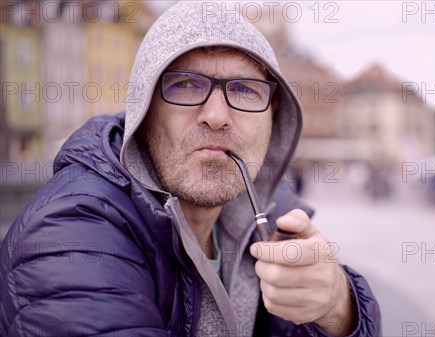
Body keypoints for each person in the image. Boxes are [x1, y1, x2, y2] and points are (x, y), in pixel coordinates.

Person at [0, 2, 381, 337]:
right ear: (144, 113)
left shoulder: (275, 215)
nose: (216, 117)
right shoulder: (71, 238)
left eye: (245, 90)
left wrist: (338, 307)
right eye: (185, 85)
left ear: (273, 116)